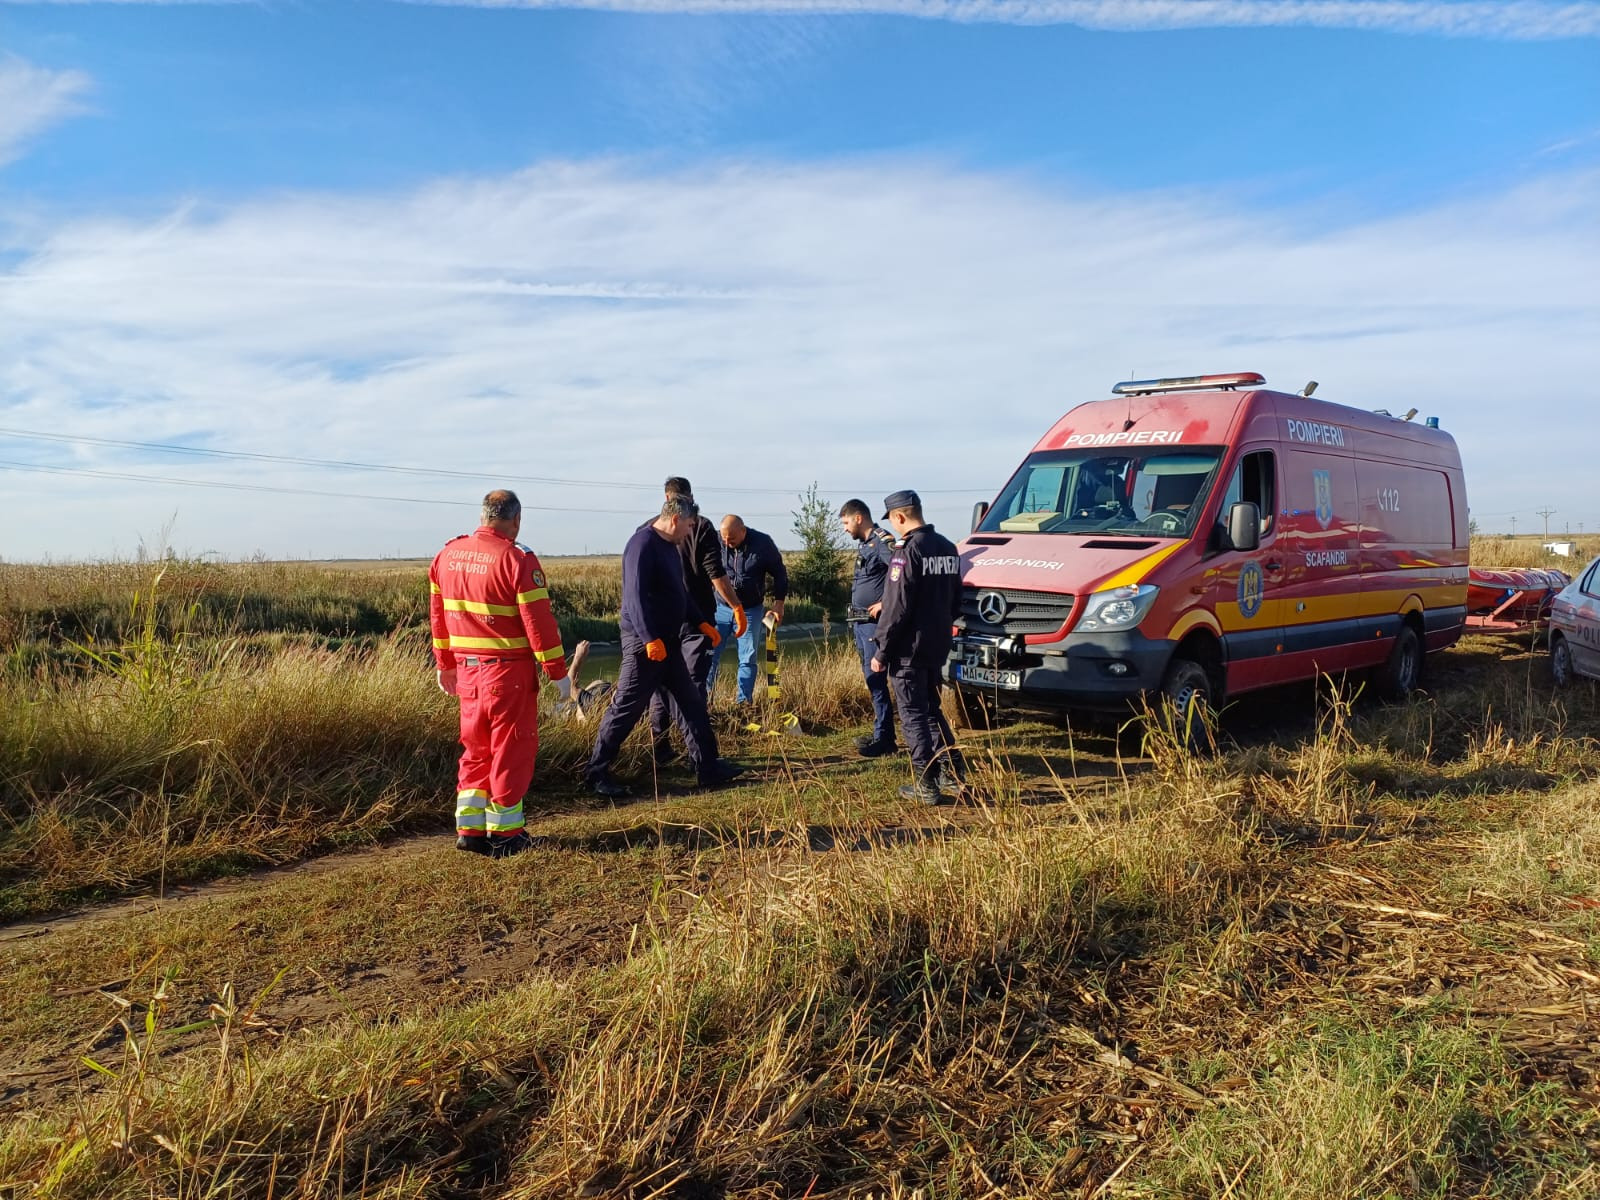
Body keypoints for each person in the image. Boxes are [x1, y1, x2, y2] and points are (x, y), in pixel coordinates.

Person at [429, 489, 573, 857]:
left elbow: (438, 618)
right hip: (506, 673)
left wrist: (444, 664)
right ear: (516, 520)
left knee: (475, 750)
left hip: (467, 673)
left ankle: (470, 829)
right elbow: (538, 624)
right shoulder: (518, 560)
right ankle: (508, 834)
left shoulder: (446, 556)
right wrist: (557, 672)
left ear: (483, 516)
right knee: (512, 749)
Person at [585, 495, 744, 798]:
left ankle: (708, 768)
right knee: (626, 709)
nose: (689, 532)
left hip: (668, 643)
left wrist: (701, 623)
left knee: (692, 704)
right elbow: (634, 598)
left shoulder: (670, 548)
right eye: (688, 525)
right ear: (675, 519)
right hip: (645, 646)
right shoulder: (641, 545)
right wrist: (648, 639)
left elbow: (679, 595)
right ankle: (596, 773)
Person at [869, 490, 967, 804]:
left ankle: (925, 783)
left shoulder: (907, 551)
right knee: (931, 711)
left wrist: (882, 650)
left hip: (908, 648)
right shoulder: (948, 547)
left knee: (913, 714)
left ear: (899, 517)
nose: (895, 527)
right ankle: (952, 776)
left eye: (893, 521)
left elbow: (897, 607)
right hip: (938, 643)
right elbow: (956, 601)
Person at [648, 477, 746, 764]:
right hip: (696, 620)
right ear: (688, 497)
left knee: (662, 687)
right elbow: (716, 573)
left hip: (662, 621)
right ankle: (699, 755)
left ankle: (660, 749)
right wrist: (736, 606)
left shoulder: (648, 528)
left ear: (666, 497)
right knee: (694, 686)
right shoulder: (701, 526)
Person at [839, 498, 899, 757]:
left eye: (845, 522)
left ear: (858, 518)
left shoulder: (881, 541)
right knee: (873, 681)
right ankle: (881, 734)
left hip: (875, 626)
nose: (844, 528)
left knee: (879, 679)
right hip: (861, 623)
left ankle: (886, 739)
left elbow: (903, 573)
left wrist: (886, 602)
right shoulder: (867, 544)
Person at [708, 515, 789, 706]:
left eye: (732, 539)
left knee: (748, 656)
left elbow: (780, 573)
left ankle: (744, 704)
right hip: (720, 607)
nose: (727, 543)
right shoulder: (715, 541)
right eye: (724, 538)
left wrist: (779, 603)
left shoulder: (763, 543)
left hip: (750, 609)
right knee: (709, 656)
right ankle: (705, 702)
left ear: (743, 531)